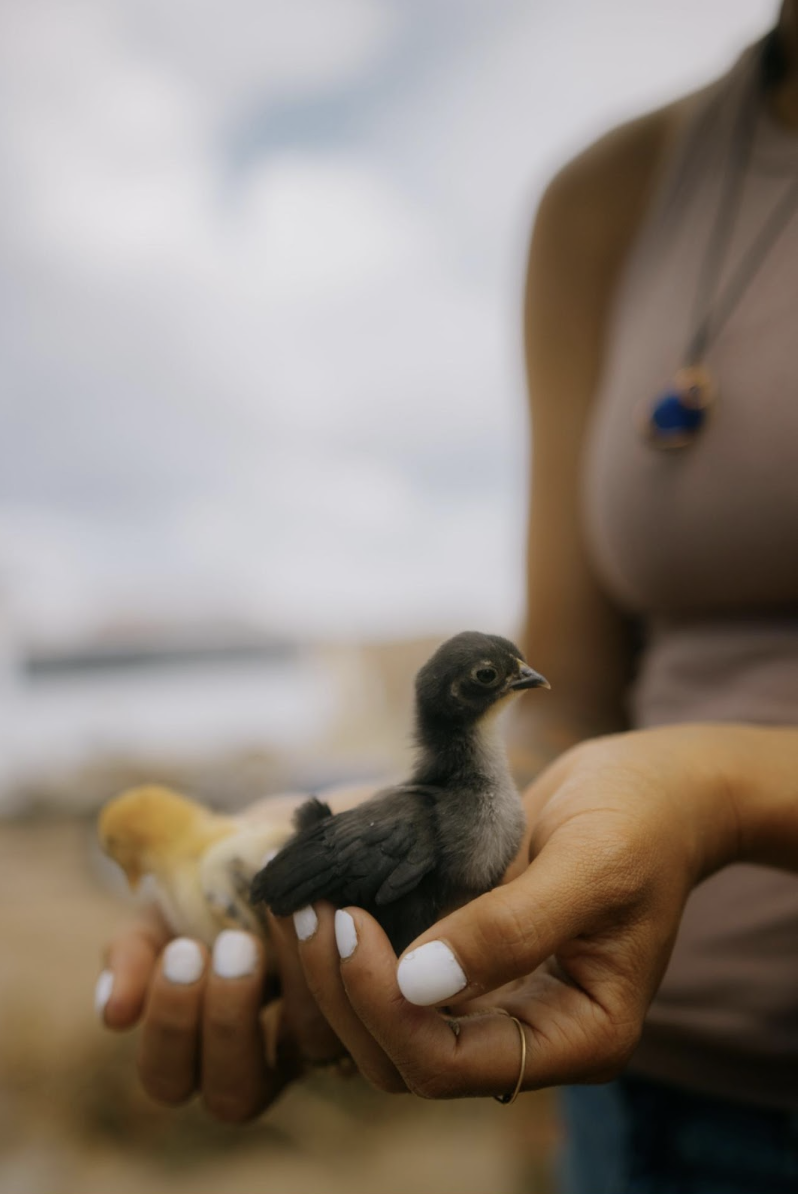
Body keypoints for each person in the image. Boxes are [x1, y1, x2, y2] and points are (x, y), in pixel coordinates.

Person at [97, 6, 797, 1189]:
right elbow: (570, 706)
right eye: (487, 683)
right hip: (641, 1104)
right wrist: (517, 1044)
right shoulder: (617, 194)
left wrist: (720, 790)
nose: (506, 689)